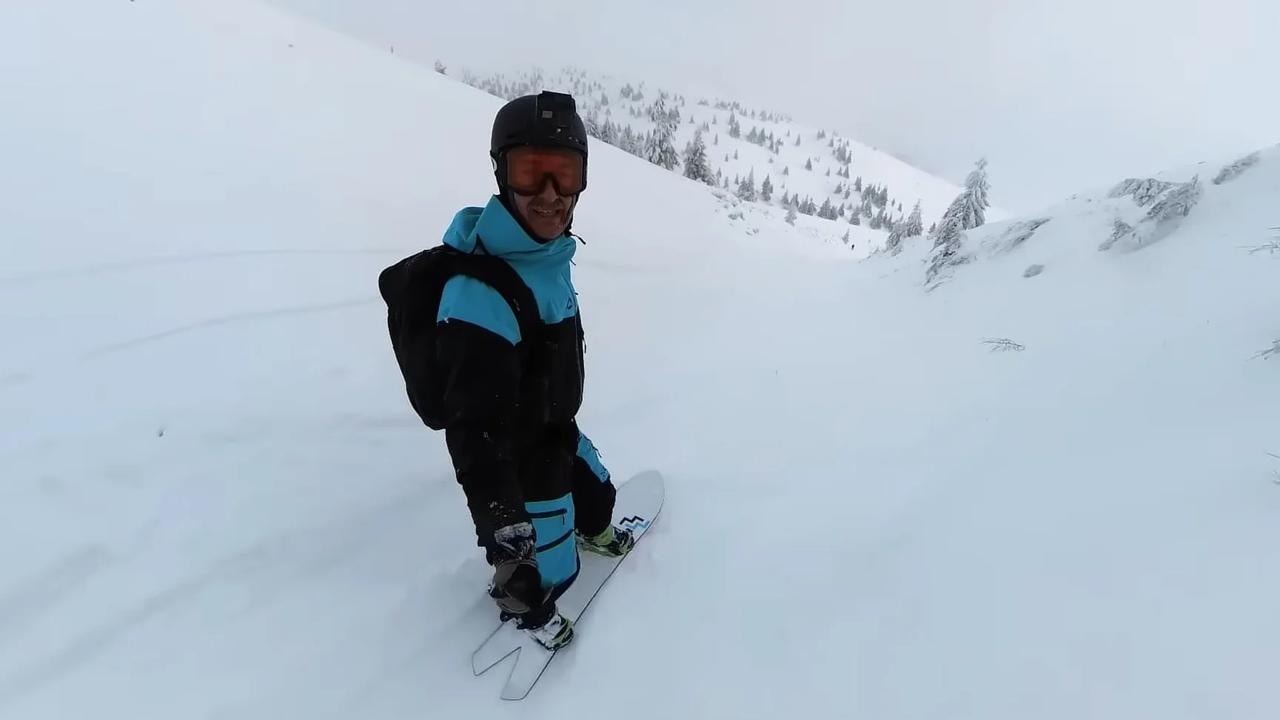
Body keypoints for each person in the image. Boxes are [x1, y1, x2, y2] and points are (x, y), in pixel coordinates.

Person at [431, 91, 633, 650]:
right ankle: (530, 612)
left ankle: (593, 531)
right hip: (516, 455)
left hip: (555, 426)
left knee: (600, 498)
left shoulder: (547, 254)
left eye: (564, 174)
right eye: (530, 172)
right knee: (546, 575)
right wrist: (509, 548)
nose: (549, 194)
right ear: (502, 173)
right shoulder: (477, 295)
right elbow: (474, 436)